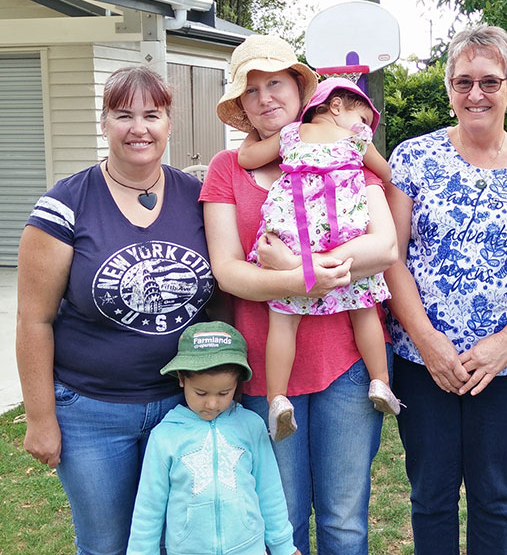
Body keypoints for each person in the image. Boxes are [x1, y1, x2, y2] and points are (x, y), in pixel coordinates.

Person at [201, 34, 397, 555]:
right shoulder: (229, 169)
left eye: (276, 83)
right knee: (280, 519)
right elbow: (228, 272)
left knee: (344, 518)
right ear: (241, 106)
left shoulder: (344, 148)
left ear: (298, 87)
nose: (266, 98)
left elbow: (385, 247)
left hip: (346, 365)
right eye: (251, 91)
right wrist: (298, 281)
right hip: (267, 370)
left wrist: (298, 269)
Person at [385, 24, 507, 555]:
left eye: (490, 82)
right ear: (448, 89)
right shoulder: (413, 158)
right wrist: (426, 340)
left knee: (494, 497)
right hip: (425, 363)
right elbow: (391, 255)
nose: (475, 94)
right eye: (462, 81)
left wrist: (504, 345)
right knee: (431, 495)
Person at [16, 65, 214, 554]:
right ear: (104, 123)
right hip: (91, 411)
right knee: (107, 543)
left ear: (170, 123)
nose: (139, 128)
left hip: (182, 405)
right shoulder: (66, 204)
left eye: (153, 114)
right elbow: (33, 319)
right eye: (124, 115)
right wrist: (41, 418)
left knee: (179, 539)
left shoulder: (199, 198)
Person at [237, 77, 400, 441]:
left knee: (283, 320)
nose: (364, 126)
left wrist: (253, 135)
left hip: (294, 234)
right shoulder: (358, 139)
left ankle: (277, 397)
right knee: (364, 309)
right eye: (361, 116)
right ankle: (380, 382)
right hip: (345, 236)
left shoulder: (291, 134)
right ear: (338, 107)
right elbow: (388, 174)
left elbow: (246, 158)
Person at [127, 321, 299, 555]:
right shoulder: (164, 437)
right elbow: (149, 508)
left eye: (223, 393)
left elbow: (270, 491)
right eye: (200, 392)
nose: (211, 403)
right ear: (181, 379)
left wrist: (283, 547)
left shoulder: (252, 426)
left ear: (237, 383)